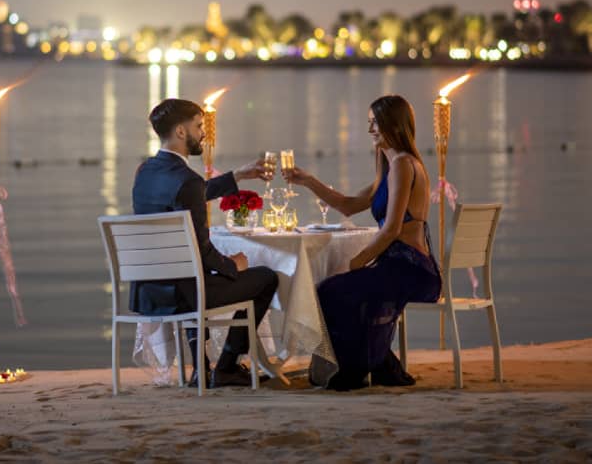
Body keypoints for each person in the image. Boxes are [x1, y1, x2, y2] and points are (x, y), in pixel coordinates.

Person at [284, 95, 442, 390]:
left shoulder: (404, 165)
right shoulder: (390, 167)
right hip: (395, 265)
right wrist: (308, 181)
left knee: (332, 292)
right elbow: (347, 205)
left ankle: (355, 369)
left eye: (375, 123)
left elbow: (392, 229)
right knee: (338, 291)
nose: (370, 130)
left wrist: (358, 262)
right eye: (369, 123)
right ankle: (377, 363)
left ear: (394, 125)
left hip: (412, 269)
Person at [131, 98, 279, 388]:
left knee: (195, 274)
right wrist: (233, 265)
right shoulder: (187, 180)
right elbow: (201, 249)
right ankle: (226, 366)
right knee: (265, 277)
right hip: (183, 294)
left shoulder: (145, 172)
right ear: (181, 131)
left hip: (148, 293)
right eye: (199, 126)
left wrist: (236, 176)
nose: (204, 134)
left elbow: (189, 194)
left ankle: (202, 367)